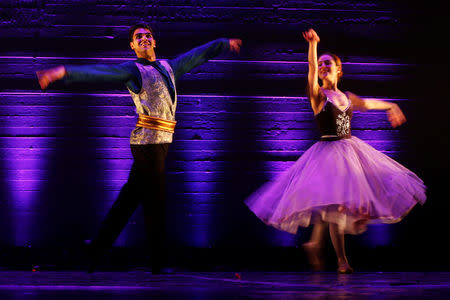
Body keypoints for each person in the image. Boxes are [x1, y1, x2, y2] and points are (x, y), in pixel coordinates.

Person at [37, 23, 242, 274]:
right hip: (147, 145)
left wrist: (222, 43)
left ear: (154, 42)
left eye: (148, 35)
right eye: (138, 37)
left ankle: (94, 253)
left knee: (128, 201)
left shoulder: (169, 67)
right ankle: (158, 263)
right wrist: (62, 73)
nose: (144, 39)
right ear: (132, 46)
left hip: (161, 144)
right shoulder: (133, 70)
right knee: (156, 201)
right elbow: (101, 72)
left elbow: (195, 56)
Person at [245, 28, 426, 274]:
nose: (322, 66)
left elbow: (369, 104)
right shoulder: (318, 96)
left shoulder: (348, 97)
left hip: (350, 150)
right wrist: (313, 45)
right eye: (321, 64)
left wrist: (391, 106)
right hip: (327, 153)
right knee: (334, 207)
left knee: (336, 207)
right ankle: (339, 258)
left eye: (327, 63)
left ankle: (320, 245)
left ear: (339, 70)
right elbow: (310, 69)